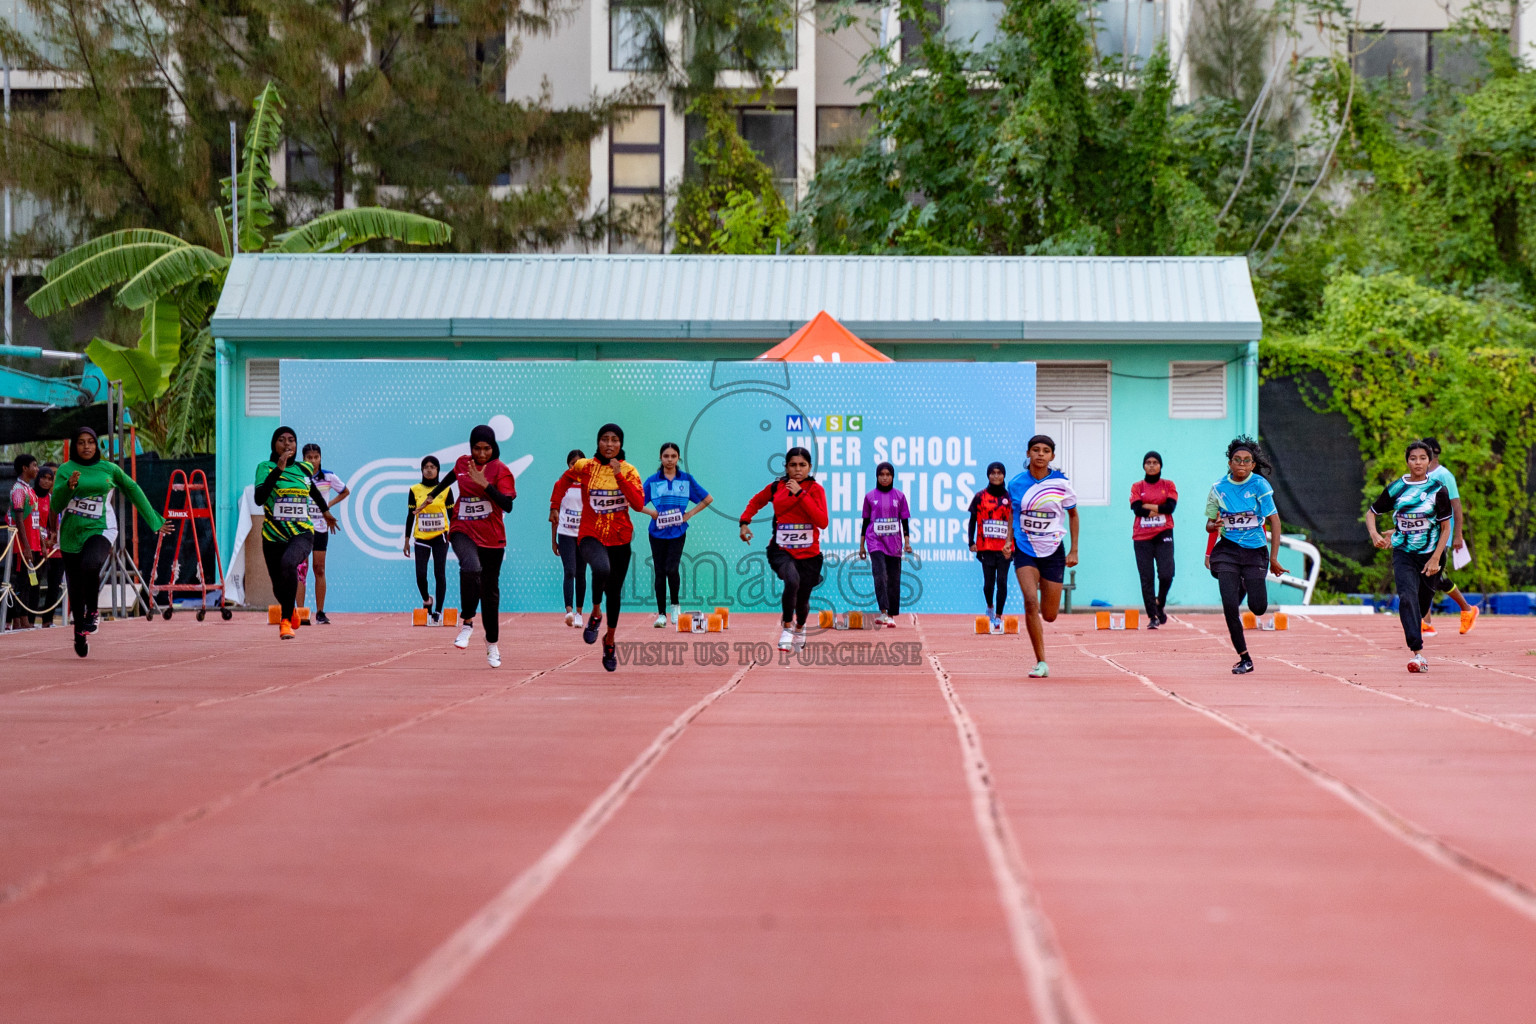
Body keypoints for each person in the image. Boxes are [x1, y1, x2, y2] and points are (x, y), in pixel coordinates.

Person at [50, 427, 169, 656]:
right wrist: (69, 487)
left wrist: (154, 521)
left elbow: (132, 489)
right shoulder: (66, 470)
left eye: (91, 442)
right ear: (75, 446)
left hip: (102, 528)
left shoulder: (109, 469)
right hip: (71, 533)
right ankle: (79, 635)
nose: (86, 447)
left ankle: (93, 613)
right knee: (75, 589)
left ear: (97, 445)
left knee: (91, 564)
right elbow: (56, 504)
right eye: (81, 443)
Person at [549, 425, 646, 672]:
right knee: (600, 568)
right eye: (604, 439)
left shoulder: (629, 471)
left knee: (614, 593)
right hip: (591, 534)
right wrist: (554, 506)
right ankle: (595, 612)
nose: (609, 444)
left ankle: (610, 640)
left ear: (621, 444)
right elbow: (562, 482)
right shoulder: (585, 466)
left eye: (614, 440)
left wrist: (619, 476)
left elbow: (637, 504)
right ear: (598, 442)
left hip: (620, 538)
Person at [423, 425, 517, 667]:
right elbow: (452, 477)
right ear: (471, 447)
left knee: (489, 595)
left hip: (492, 537)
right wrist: (433, 495)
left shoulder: (500, 470)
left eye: (486, 449)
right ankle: (466, 623)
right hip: (462, 528)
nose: (481, 453)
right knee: (470, 567)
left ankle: (492, 645)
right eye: (477, 448)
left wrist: (485, 485)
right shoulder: (463, 463)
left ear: (494, 447)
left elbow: (507, 505)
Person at [1366, 440, 1454, 674]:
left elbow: (1445, 528)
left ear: (1430, 461)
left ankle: (1420, 631)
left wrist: (1436, 559)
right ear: (1407, 461)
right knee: (1406, 598)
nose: (1418, 462)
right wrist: (1375, 535)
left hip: (1431, 555)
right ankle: (1417, 653)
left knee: (1422, 603)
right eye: (1413, 458)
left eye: (1422, 458)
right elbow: (1371, 513)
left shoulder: (1438, 489)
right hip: (1403, 552)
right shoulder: (1397, 488)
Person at [1205, 436, 1285, 674]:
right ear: (1230, 463)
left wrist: (1273, 557)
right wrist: (1214, 525)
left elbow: (1275, 521)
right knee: (1230, 605)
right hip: (1228, 550)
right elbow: (1210, 525)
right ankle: (1244, 658)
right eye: (1237, 460)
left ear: (1252, 465)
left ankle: (1246, 581)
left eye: (1246, 461)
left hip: (1254, 551)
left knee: (1258, 608)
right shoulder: (1218, 488)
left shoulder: (1259, 485)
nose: (1241, 464)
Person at [740, 447, 830, 653]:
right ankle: (787, 627)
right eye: (793, 465)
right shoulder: (776, 487)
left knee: (803, 597)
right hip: (781, 550)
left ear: (809, 467)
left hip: (810, 554)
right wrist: (744, 522)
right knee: (792, 580)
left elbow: (822, 522)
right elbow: (756, 501)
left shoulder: (816, 490)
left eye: (802, 465)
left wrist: (801, 494)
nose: (797, 469)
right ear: (786, 467)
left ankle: (800, 627)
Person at [254, 427, 337, 642]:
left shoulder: (304, 468)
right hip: (273, 535)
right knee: (278, 585)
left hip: (301, 532)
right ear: (274, 445)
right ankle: (290, 610)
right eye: (282, 440)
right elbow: (259, 499)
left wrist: (326, 511)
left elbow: (313, 491)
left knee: (289, 564)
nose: (287, 444)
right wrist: (278, 470)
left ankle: (285, 622)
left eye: (291, 440)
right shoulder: (265, 467)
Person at [1009, 437, 1080, 679]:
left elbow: (1073, 516)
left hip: (1053, 551)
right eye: (1036, 450)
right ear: (1028, 452)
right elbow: (1012, 514)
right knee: (1030, 601)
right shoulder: (1016, 484)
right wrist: (1009, 540)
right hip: (1024, 548)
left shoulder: (1061, 483)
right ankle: (1041, 662)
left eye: (1046, 451)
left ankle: (1046, 607)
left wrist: (1074, 550)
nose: (1040, 454)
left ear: (1052, 456)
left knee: (1049, 615)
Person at [642, 442, 713, 628]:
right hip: (656, 532)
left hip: (677, 532)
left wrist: (689, 514)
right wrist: (652, 513)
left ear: (678, 458)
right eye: (666, 456)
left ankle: (675, 606)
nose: (670, 460)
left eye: (673, 456)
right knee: (659, 571)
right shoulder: (653, 480)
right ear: (660, 458)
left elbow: (708, 499)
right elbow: (635, 502)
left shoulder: (686, 480)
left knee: (671, 569)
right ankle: (661, 615)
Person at [1419, 437, 1478, 636]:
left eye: (1422, 455)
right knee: (1431, 576)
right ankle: (1466, 610)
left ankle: (1427, 622)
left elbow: (1456, 505)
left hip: (1441, 534)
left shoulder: (1445, 475)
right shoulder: (1419, 476)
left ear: (1430, 455)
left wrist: (1457, 534)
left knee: (1428, 575)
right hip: (1423, 534)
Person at [296, 443, 349, 624]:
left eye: (316, 457)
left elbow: (345, 491)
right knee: (301, 570)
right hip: (301, 528)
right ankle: (301, 612)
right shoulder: (297, 476)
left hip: (320, 527)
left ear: (320, 458)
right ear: (303, 459)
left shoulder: (328, 476)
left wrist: (327, 507)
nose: (313, 461)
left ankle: (320, 612)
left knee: (319, 569)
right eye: (309, 458)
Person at [858, 461, 911, 628]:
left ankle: (891, 615)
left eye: (888, 475)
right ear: (877, 476)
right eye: (881, 475)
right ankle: (883, 612)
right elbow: (866, 521)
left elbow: (904, 521)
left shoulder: (900, 497)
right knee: (880, 575)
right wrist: (861, 546)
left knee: (893, 579)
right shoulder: (869, 497)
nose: (885, 478)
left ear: (893, 477)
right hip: (874, 541)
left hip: (894, 542)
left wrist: (907, 542)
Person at [1130, 450, 1177, 629]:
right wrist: (1158, 508)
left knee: (1166, 573)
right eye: (1148, 462)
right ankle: (1153, 616)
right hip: (1142, 537)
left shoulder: (1168, 485)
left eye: (1155, 462)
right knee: (1146, 577)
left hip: (1164, 533)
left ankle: (1160, 602)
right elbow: (1136, 509)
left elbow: (1170, 507)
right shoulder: (1137, 487)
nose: (1151, 465)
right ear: (1143, 465)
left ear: (1160, 466)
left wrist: (1147, 506)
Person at [403, 455, 452, 624]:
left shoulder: (445, 489)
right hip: (421, 537)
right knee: (420, 574)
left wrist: (455, 535)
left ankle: (438, 611)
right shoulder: (415, 490)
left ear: (438, 470)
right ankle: (426, 599)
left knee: (439, 573)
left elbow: (452, 514)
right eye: (426, 467)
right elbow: (410, 516)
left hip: (441, 537)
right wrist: (406, 539)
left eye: (433, 467)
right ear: (422, 470)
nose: (429, 470)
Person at [967, 461, 1014, 628]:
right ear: (988, 475)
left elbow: (1014, 523)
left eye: (999, 472)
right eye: (993, 473)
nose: (996, 476)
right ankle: (990, 607)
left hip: (1005, 549)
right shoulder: (980, 496)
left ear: (1004, 475)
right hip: (985, 547)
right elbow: (972, 520)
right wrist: (971, 542)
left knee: (1002, 581)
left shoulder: (1010, 498)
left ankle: (999, 616)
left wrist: (1013, 545)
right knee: (989, 584)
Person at [550, 450, 588, 627]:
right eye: (573, 463)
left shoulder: (589, 485)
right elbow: (554, 513)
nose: (576, 466)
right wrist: (553, 540)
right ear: (568, 466)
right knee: (569, 571)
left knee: (581, 572)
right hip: (565, 534)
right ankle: (569, 611)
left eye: (580, 463)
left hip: (584, 535)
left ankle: (579, 613)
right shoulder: (561, 484)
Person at [8, 454, 42, 629]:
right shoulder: (18, 490)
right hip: (21, 547)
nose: (37, 469)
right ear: (24, 468)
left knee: (30, 583)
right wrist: (26, 546)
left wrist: (41, 542)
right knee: (21, 582)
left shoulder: (30, 490)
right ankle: (18, 620)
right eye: (34, 466)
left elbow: (34, 520)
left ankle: (24, 618)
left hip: (34, 543)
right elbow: (19, 519)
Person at [34, 463, 66, 628]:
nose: (51, 481)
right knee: (34, 583)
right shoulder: (34, 496)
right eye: (47, 476)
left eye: (53, 477)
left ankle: (48, 620)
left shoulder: (61, 498)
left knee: (54, 586)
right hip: (40, 547)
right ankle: (26, 620)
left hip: (58, 548)